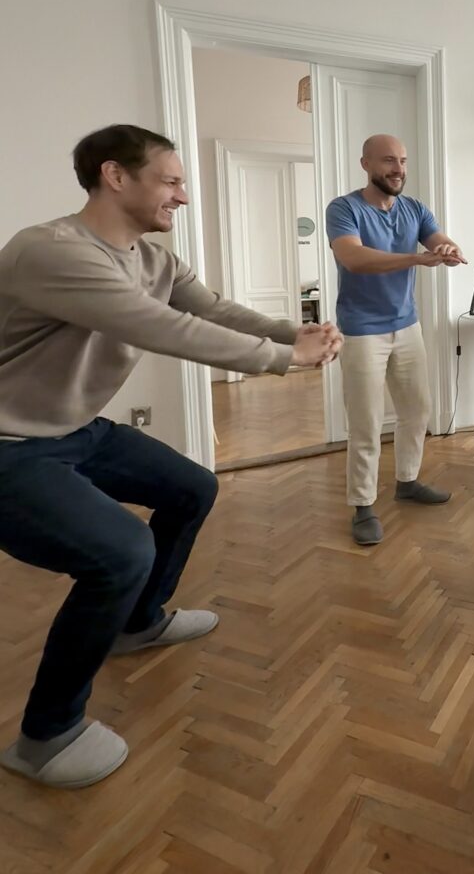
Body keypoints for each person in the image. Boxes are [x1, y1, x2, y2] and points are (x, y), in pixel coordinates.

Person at [0, 124, 342, 788]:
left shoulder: (152, 259)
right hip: (9, 447)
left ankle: (137, 621)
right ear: (115, 176)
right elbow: (156, 325)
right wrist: (282, 359)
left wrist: (290, 329)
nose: (183, 196)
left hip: (75, 429)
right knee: (120, 552)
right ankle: (45, 734)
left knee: (191, 486)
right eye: (172, 180)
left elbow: (210, 308)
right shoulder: (50, 251)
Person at [326, 134, 466, 546]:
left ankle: (407, 481)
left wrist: (446, 247)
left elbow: (435, 237)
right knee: (366, 423)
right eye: (389, 160)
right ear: (365, 163)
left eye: (402, 160)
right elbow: (352, 257)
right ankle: (363, 505)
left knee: (417, 410)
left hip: (407, 325)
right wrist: (419, 258)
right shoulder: (344, 208)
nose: (398, 169)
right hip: (361, 330)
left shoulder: (415, 208)